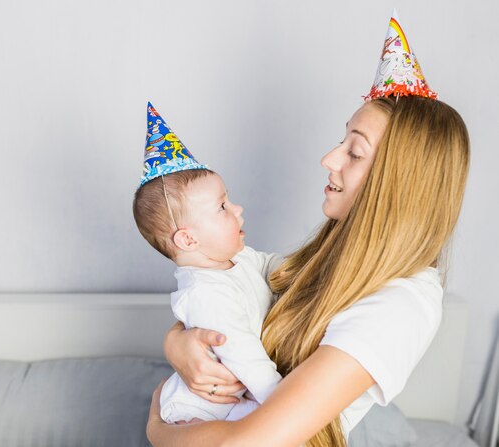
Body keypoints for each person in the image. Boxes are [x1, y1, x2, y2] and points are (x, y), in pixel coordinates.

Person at [146, 11, 471, 447]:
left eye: (354, 152)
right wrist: (177, 343)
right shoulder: (329, 262)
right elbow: (224, 273)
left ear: (399, 182)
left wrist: (156, 425)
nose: (329, 158)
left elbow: (242, 444)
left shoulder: (402, 304)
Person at [134, 103, 285, 423]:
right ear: (188, 240)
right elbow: (249, 361)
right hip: (199, 413)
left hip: (234, 404)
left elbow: (270, 265)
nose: (239, 208)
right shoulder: (204, 294)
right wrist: (288, 406)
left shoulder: (236, 258)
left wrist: (304, 269)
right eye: (222, 206)